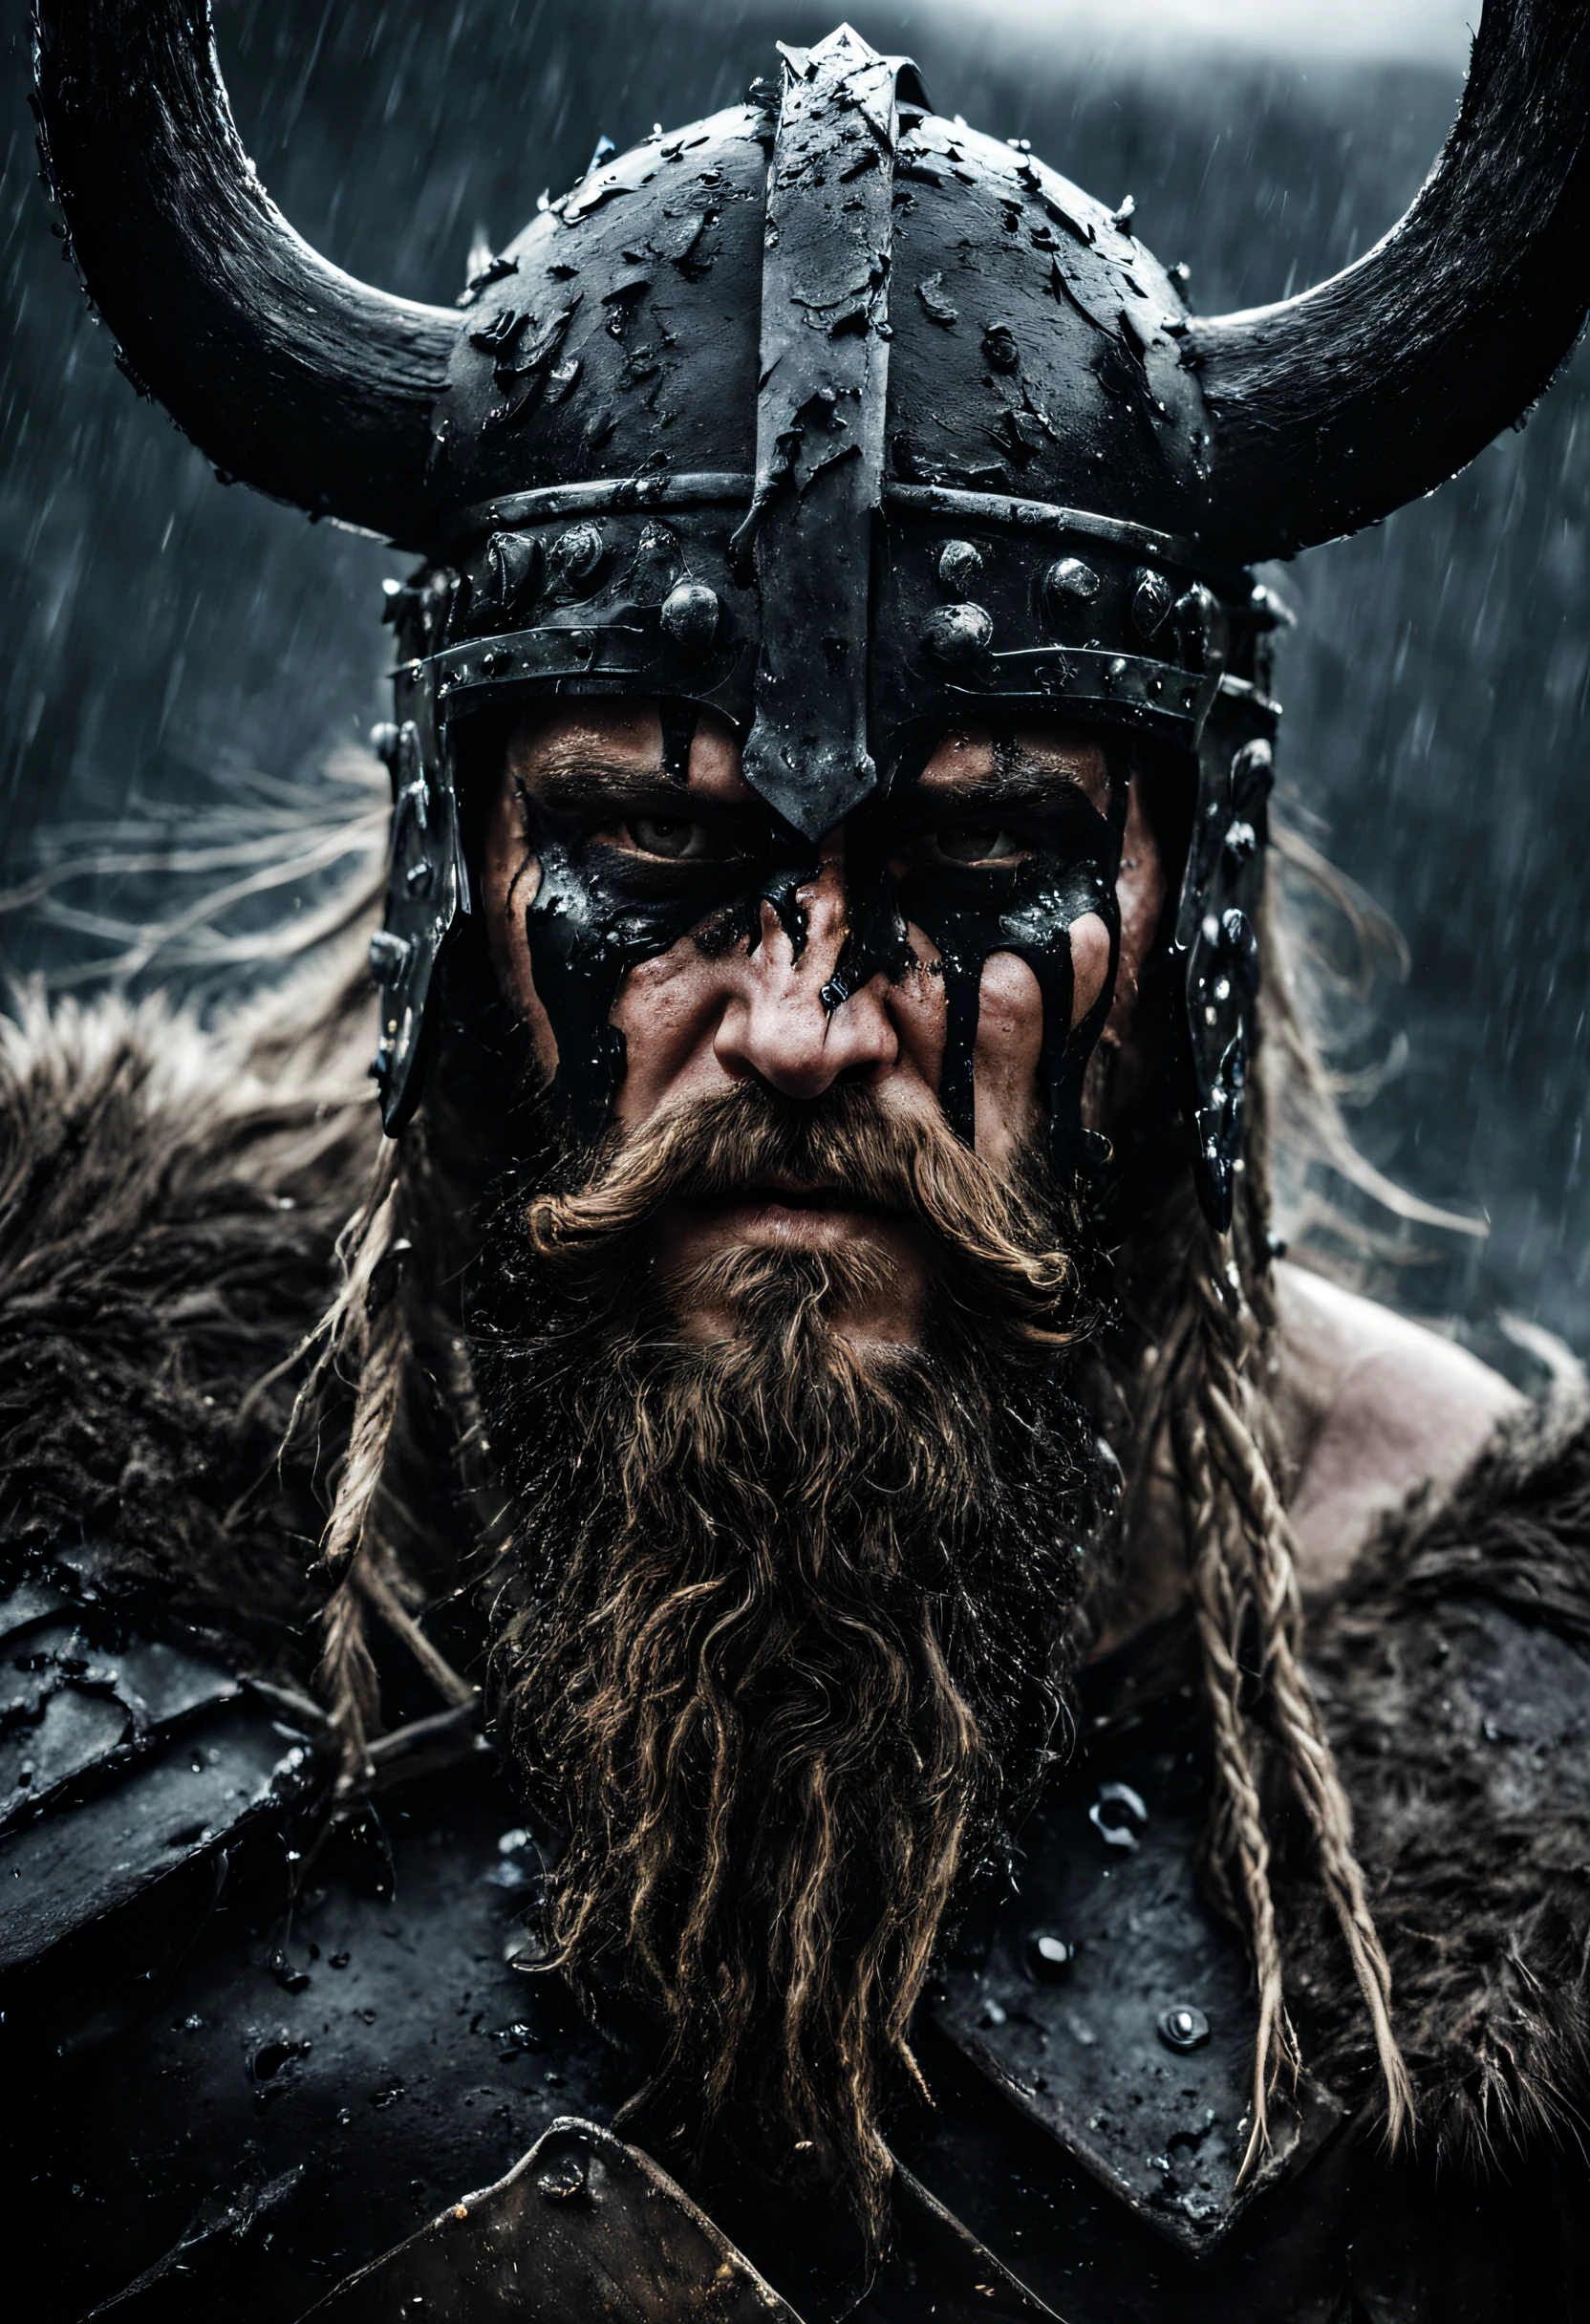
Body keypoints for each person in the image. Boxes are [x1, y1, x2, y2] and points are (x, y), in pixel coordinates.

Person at [5, 8, 1590, 2318]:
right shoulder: (67, 1566)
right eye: (650, 841)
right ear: (451, 891)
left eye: (981, 861)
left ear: (1187, 940)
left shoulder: (1489, 1704)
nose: (801, 1019)